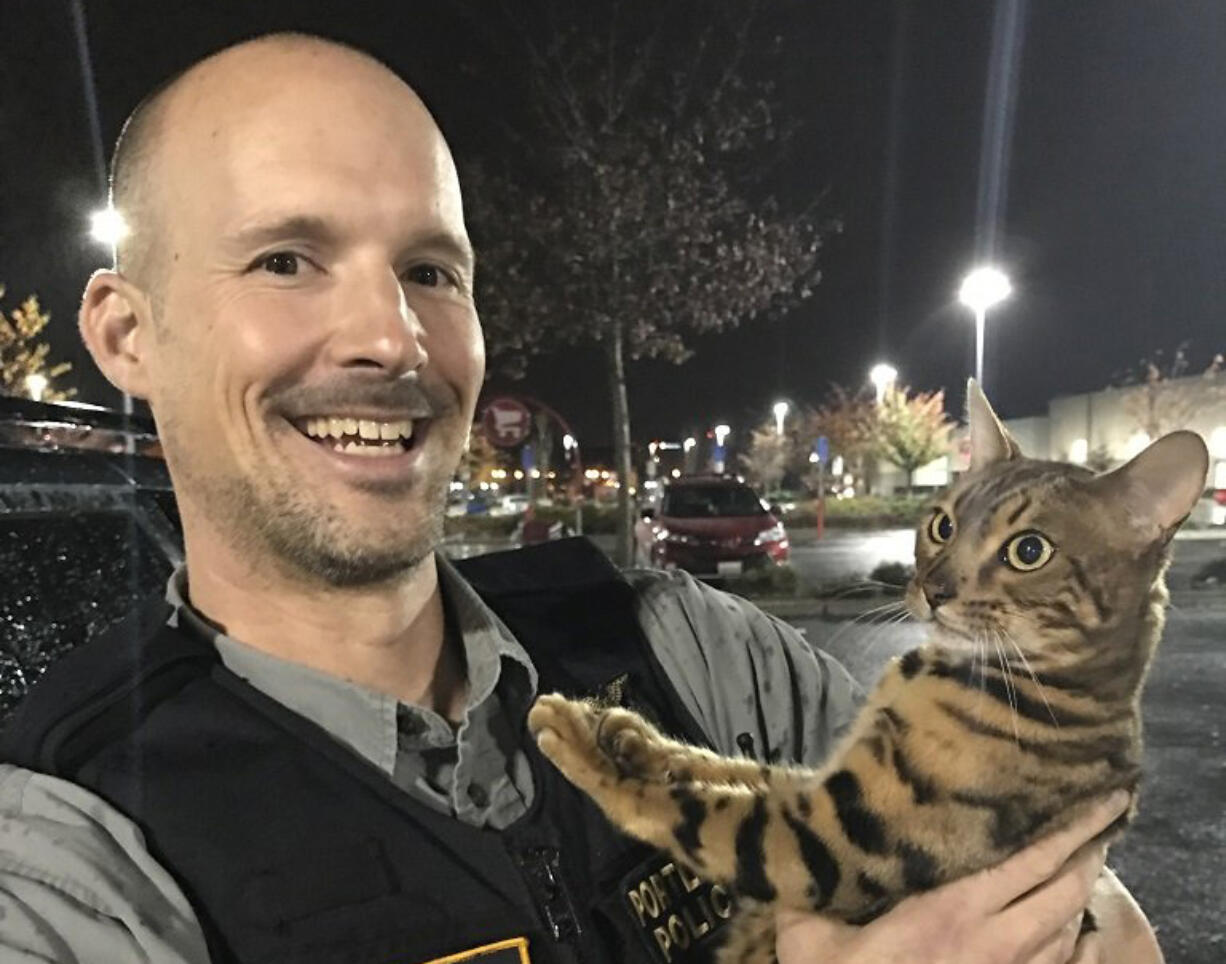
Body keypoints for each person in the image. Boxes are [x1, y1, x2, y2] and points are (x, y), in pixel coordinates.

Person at [0, 33, 1161, 964]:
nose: (386, 337)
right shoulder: (71, 841)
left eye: (428, 271)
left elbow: (1097, 917)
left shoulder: (682, 646)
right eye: (284, 259)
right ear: (124, 332)